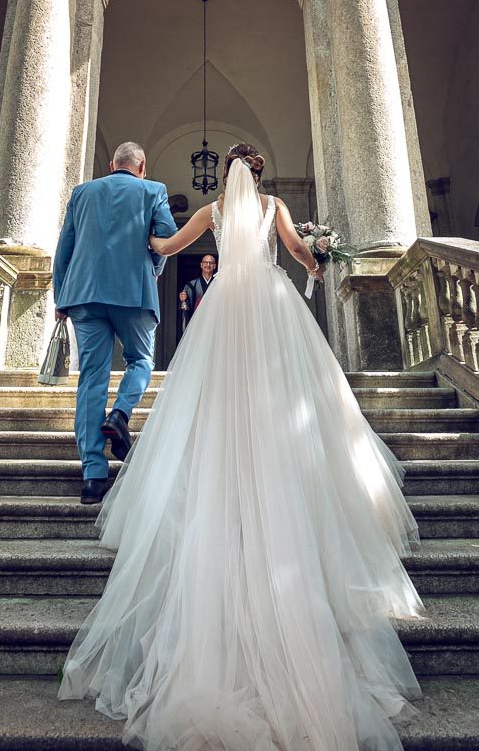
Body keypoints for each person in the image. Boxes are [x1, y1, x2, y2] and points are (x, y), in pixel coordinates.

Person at [59, 143, 423, 751]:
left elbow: (165, 248)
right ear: (259, 176)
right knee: (285, 391)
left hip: (220, 308)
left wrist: (122, 249)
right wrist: (319, 256)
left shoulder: (208, 214)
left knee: (206, 397)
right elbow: (304, 253)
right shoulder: (276, 205)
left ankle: (109, 456)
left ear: (226, 177)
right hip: (272, 308)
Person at [51, 140, 177, 506]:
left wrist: (62, 297)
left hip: (84, 294)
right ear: (141, 167)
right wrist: (151, 271)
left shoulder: (82, 192)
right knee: (141, 361)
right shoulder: (153, 190)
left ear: (111, 165)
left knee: (91, 379)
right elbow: (165, 240)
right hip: (133, 292)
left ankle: (92, 477)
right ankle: (120, 414)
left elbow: (66, 248)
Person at [176, 252, 217, 335]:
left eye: (211, 263)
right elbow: (185, 307)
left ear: (214, 266)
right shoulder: (191, 285)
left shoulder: (219, 284)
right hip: (197, 323)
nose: (208, 265)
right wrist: (183, 301)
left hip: (215, 322)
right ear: (201, 265)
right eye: (205, 262)